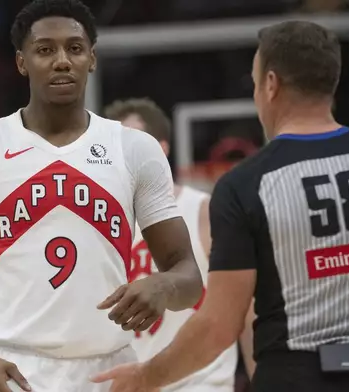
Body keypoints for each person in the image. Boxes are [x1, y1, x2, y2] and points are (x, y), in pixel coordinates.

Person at [92, 20, 349, 392]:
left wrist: (145, 377)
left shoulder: (246, 185)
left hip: (296, 375)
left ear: (271, 85)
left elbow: (219, 324)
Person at [0, 1, 204, 392]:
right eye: (45, 49)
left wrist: (161, 286)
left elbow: (188, 274)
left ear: (92, 59)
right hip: (9, 370)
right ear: (21, 62)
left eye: (74, 48)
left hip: (110, 370)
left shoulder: (135, 150)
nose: (62, 60)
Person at [104, 98, 256, 391]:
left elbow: (247, 314)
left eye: (131, 144)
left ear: (161, 149)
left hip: (200, 384)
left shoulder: (205, 212)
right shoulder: (98, 222)